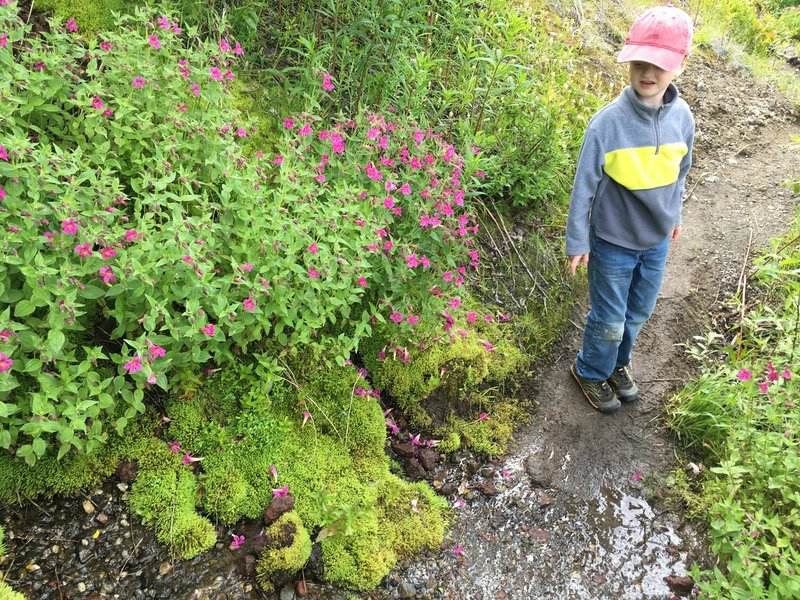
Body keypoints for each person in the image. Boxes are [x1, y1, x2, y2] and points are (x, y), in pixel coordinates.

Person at [565, 4, 695, 414]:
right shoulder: (607, 123)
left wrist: (673, 214)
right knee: (609, 317)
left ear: (680, 66)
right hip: (612, 241)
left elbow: (681, 171)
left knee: (638, 312)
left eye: (659, 65)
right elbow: (584, 187)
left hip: (656, 240)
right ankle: (589, 369)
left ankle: (616, 365)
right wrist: (578, 240)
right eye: (639, 62)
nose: (648, 73)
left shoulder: (683, 118)